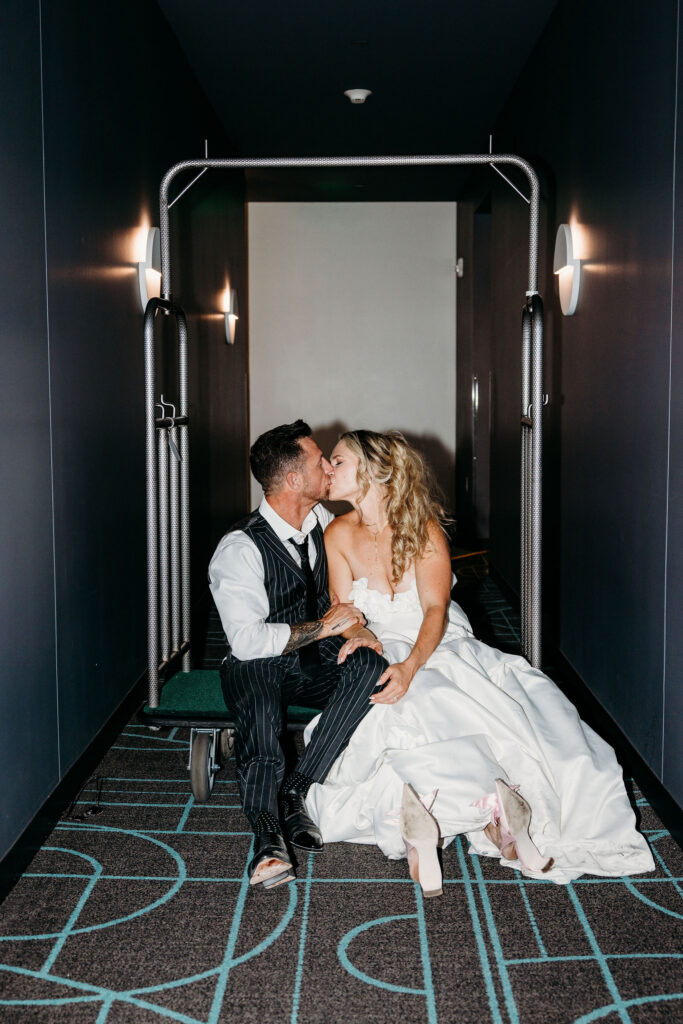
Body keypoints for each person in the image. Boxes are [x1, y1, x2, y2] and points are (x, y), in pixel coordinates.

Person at [304, 429, 655, 890]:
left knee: (431, 697)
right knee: (389, 700)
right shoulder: (337, 533)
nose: (328, 469)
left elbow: (436, 610)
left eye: (338, 460)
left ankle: (434, 822)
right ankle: (492, 821)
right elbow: (341, 607)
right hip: (378, 647)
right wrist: (363, 631)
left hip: (435, 642)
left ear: (374, 472)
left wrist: (411, 665)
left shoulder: (425, 529)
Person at [209, 420, 387, 891]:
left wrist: (358, 630)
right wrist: (323, 627)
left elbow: (347, 594)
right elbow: (247, 642)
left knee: (370, 667)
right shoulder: (240, 547)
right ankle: (267, 835)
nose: (328, 467)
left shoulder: (323, 525)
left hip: (312, 661)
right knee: (262, 705)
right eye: (319, 462)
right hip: (255, 665)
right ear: (293, 480)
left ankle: (298, 788)